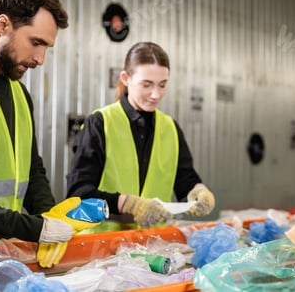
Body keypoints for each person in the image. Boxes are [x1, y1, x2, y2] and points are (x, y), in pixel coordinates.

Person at [0, 0, 97, 268]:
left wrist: (52, 217)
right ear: (2, 25)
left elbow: (32, 169)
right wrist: (36, 229)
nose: (40, 59)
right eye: (36, 43)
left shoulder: (19, 94)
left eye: (47, 47)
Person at [66, 41, 215, 232]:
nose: (156, 94)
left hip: (153, 244)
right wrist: (126, 203)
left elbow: (184, 179)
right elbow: (78, 194)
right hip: (102, 246)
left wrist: (197, 190)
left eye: (162, 85)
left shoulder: (170, 128)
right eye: (147, 85)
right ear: (126, 78)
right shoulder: (100, 123)